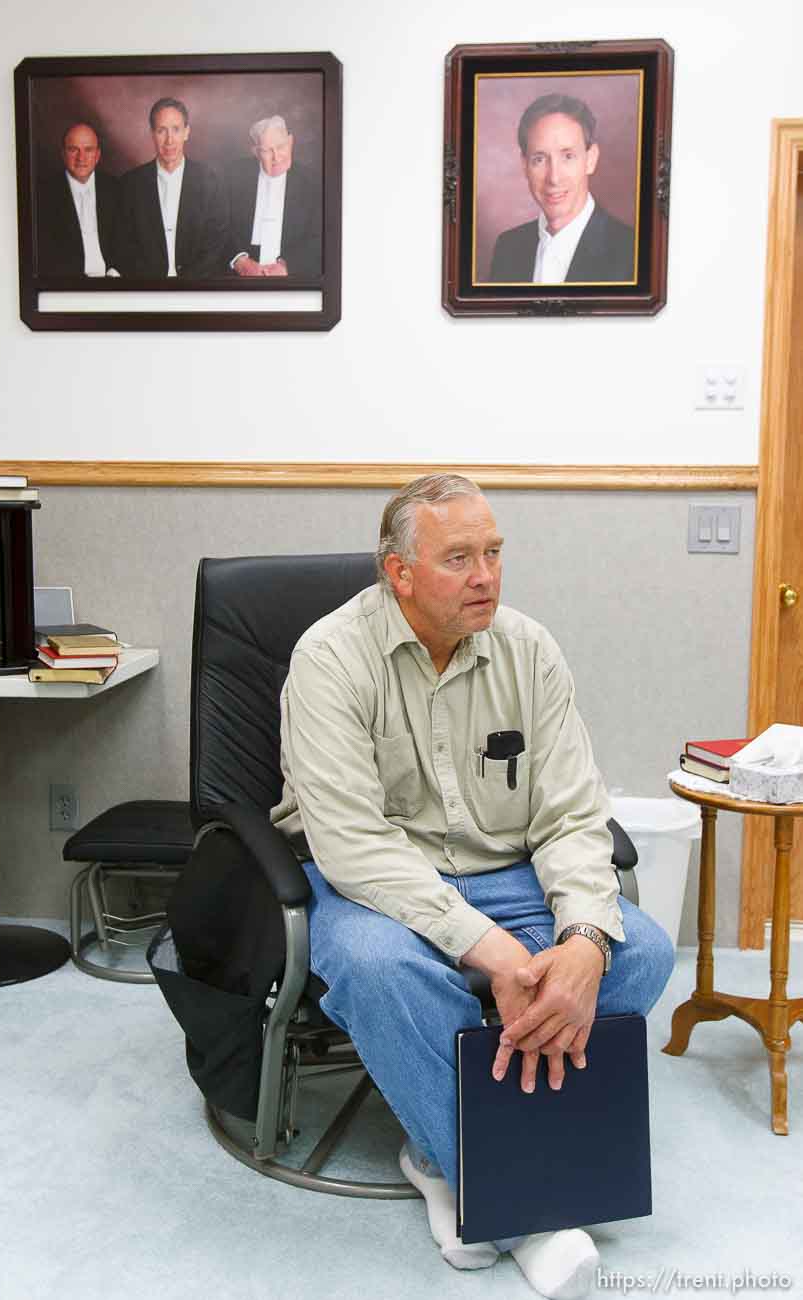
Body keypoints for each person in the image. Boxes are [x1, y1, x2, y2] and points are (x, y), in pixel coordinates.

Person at [270, 474, 674, 1299]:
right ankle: (511, 1196)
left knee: (641, 955)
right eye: (459, 558)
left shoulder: (530, 649)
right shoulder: (328, 658)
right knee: (384, 972)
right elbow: (352, 845)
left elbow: (569, 817)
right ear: (399, 572)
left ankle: (436, 1145)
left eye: (492, 552)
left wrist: (582, 943)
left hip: (507, 872)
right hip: (376, 883)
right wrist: (494, 954)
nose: (486, 575)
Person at [489, 93, 636, 285]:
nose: (554, 178)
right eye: (539, 159)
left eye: (568, 156)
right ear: (524, 166)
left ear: (590, 160)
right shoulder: (507, 249)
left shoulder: (632, 251)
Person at [113, 97, 225, 279]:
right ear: (152, 133)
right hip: (147, 289)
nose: (169, 140)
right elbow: (123, 244)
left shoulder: (209, 180)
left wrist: (186, 285)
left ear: (187, 132)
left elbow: (216, 242)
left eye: (176, 129)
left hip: (197, 288)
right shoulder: (130, 184)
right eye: (161, 131)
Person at [223, 114, 322, 278]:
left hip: (292, 279)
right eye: (267, 150)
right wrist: (239, 260)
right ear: (255, 152)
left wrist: (288, 267)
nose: (276, 157)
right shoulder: (233, 176)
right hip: (239, 277)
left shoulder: (314, 182)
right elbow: (219, 226)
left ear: (291, 141)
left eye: (281, 146)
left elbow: (321, 238)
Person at [36, 123, 119, 277]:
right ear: (63, 154)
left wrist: (114, 274)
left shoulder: (115, 189)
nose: (81, 157)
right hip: (68, 284)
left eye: (88, 150)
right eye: (73, 149)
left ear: (97, 155)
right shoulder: (43, 194)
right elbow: (44, 254)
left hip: (112, 281)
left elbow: (127, 241)